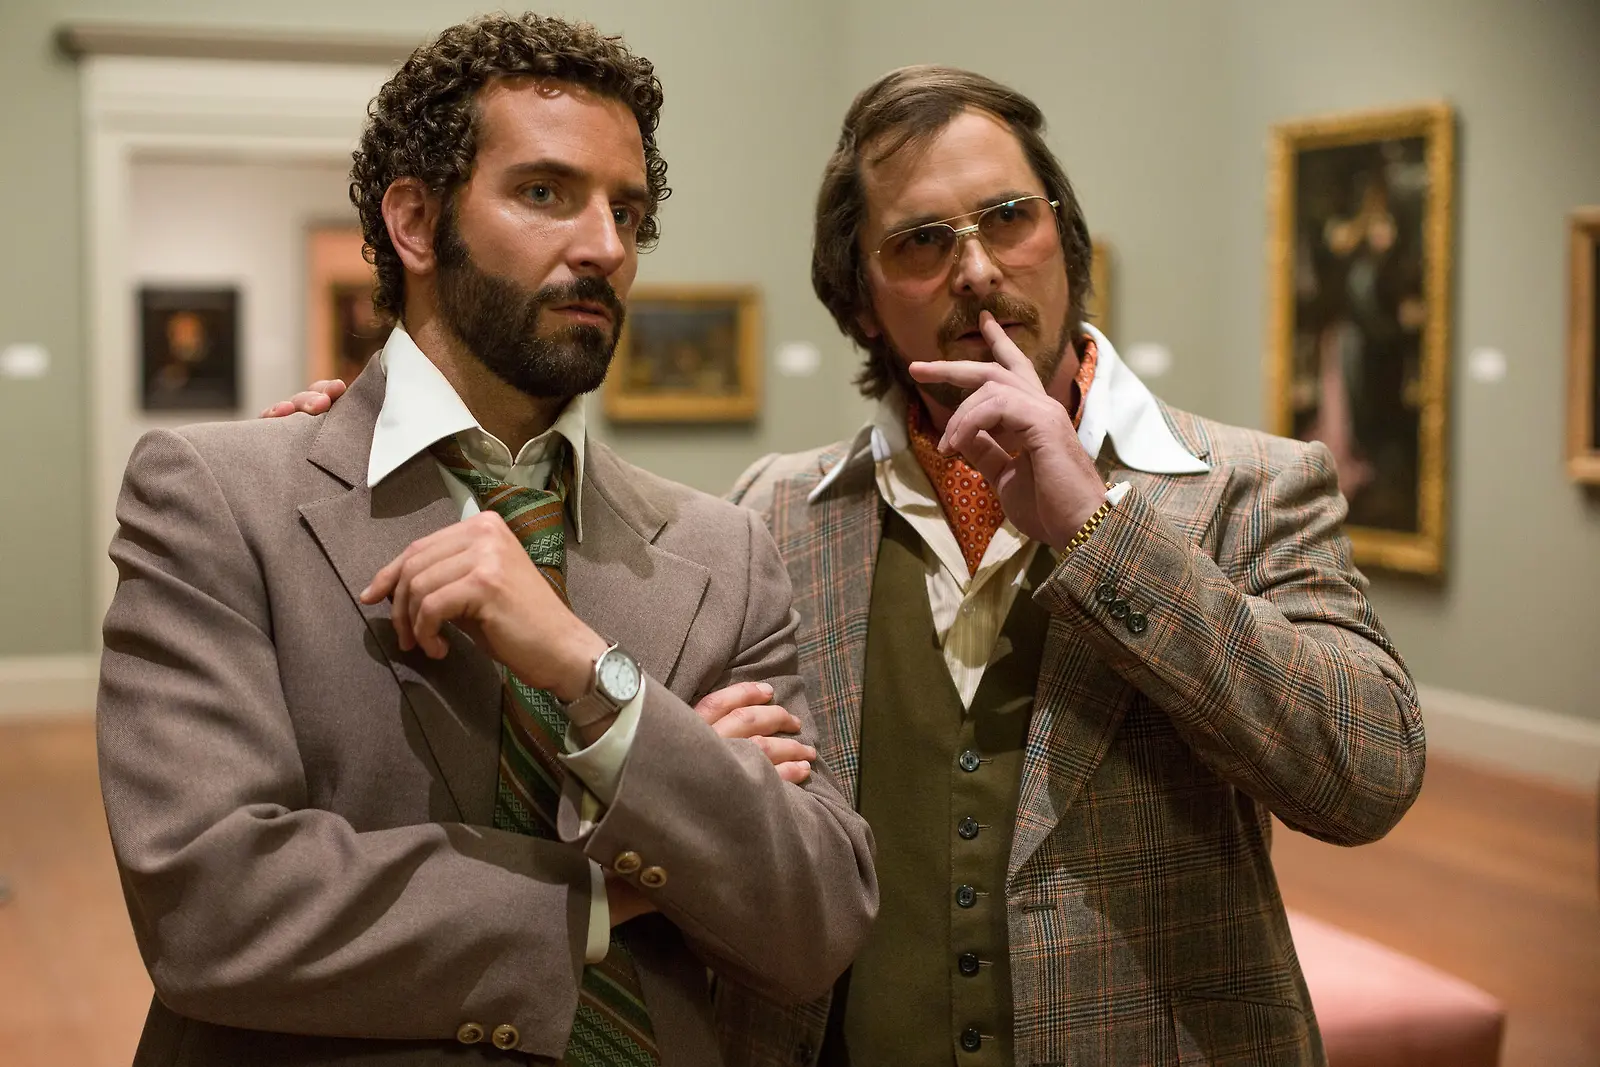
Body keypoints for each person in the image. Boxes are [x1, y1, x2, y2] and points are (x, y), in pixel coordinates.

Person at [274, 64, 1426, 1067]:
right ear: (862, 301)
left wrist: (1094, 524)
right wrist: (404, 451)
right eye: (921, 242)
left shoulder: (1250, 484)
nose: (976, 270)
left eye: (1008, 218)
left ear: (1064, 240)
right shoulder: (774, 514)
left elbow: (1362, 772)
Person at [98, 15, 876, 1067]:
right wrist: (617, 880)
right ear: (416, 223)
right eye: (545, 192)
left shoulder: (723, 552)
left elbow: (814, 919)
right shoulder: (217, 498)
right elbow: (214, 909)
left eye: (627, 211)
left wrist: (594, 676)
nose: (605, 246)